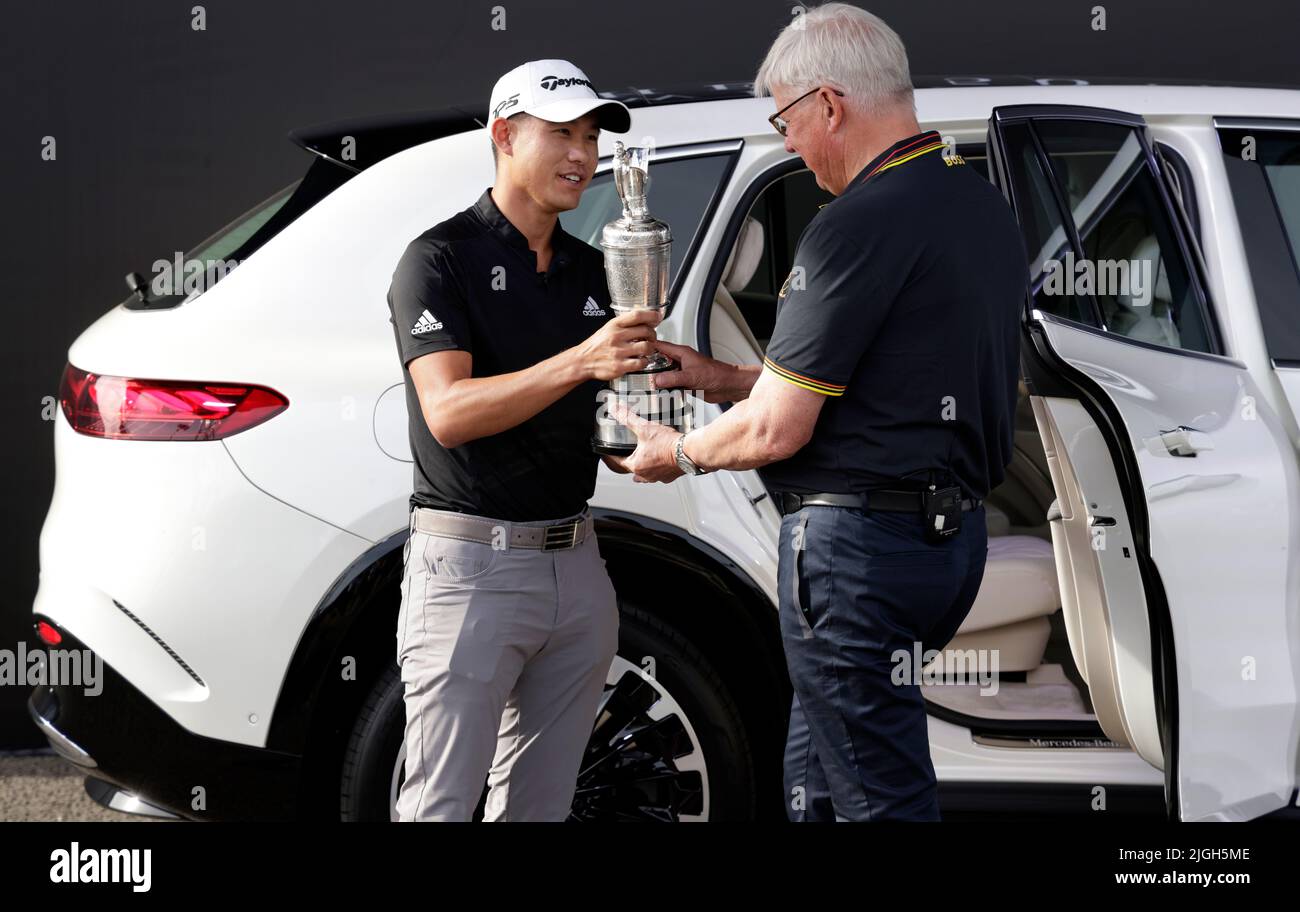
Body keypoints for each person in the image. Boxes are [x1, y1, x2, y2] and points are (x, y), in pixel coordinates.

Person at [608, 4, 1028, 820]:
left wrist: (676, 454)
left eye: (787, 119)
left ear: (830, 105)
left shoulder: (855, 226)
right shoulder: (979, 208)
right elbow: (883, 384)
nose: (791, 144)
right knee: (821, 782)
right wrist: (727, 378)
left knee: (879, 799)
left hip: (858, 559)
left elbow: (778, 429)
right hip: (945, 551)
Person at [386, 59, 659, 821]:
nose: (584, 153)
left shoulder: (593, 268)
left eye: (593, 135)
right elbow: (449, 411)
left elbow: (603, 406)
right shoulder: (438, 261)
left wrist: (652, 438)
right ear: (505, 136)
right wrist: (583, 358)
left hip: (577, 568)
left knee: (541, 809)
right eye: (562, 133)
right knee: (438, 807)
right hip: (470, 570)